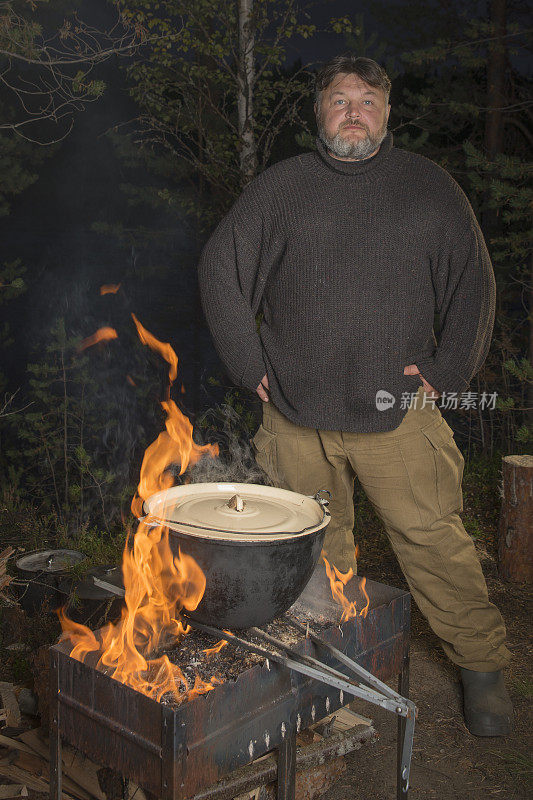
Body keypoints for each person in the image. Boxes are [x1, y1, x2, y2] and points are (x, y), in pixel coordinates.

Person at [198, 54, 513, 737]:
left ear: (387, 114)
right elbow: (220, 268)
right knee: (312, 549)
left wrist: (448, 369)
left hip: (395, 414)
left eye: (366, 100)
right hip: (292, 415)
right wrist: (246, 359)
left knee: (432, 540)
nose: (352, 111)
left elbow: (472, 283)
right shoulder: (280, 190)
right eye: (338, 100)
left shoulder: (427, 189)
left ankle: (481, 667)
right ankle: (331, 669)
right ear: (319, 113)